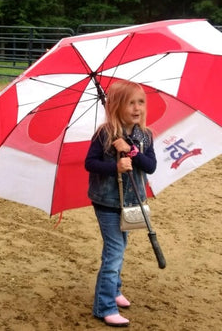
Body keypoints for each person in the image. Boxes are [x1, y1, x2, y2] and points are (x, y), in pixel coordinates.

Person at [85, 80, 157, 327]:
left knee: (121, 247)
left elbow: (151, 166)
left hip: (131, 202)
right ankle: (104, 306)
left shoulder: (144, 135)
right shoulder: (104, 134)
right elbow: (90, 164)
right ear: (115, 106)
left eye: (141, 102)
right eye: (131, 103)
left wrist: (133, 152)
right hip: (106, 202)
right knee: (114, 252)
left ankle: (114, 289)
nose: (137, 108)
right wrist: (115, 166)